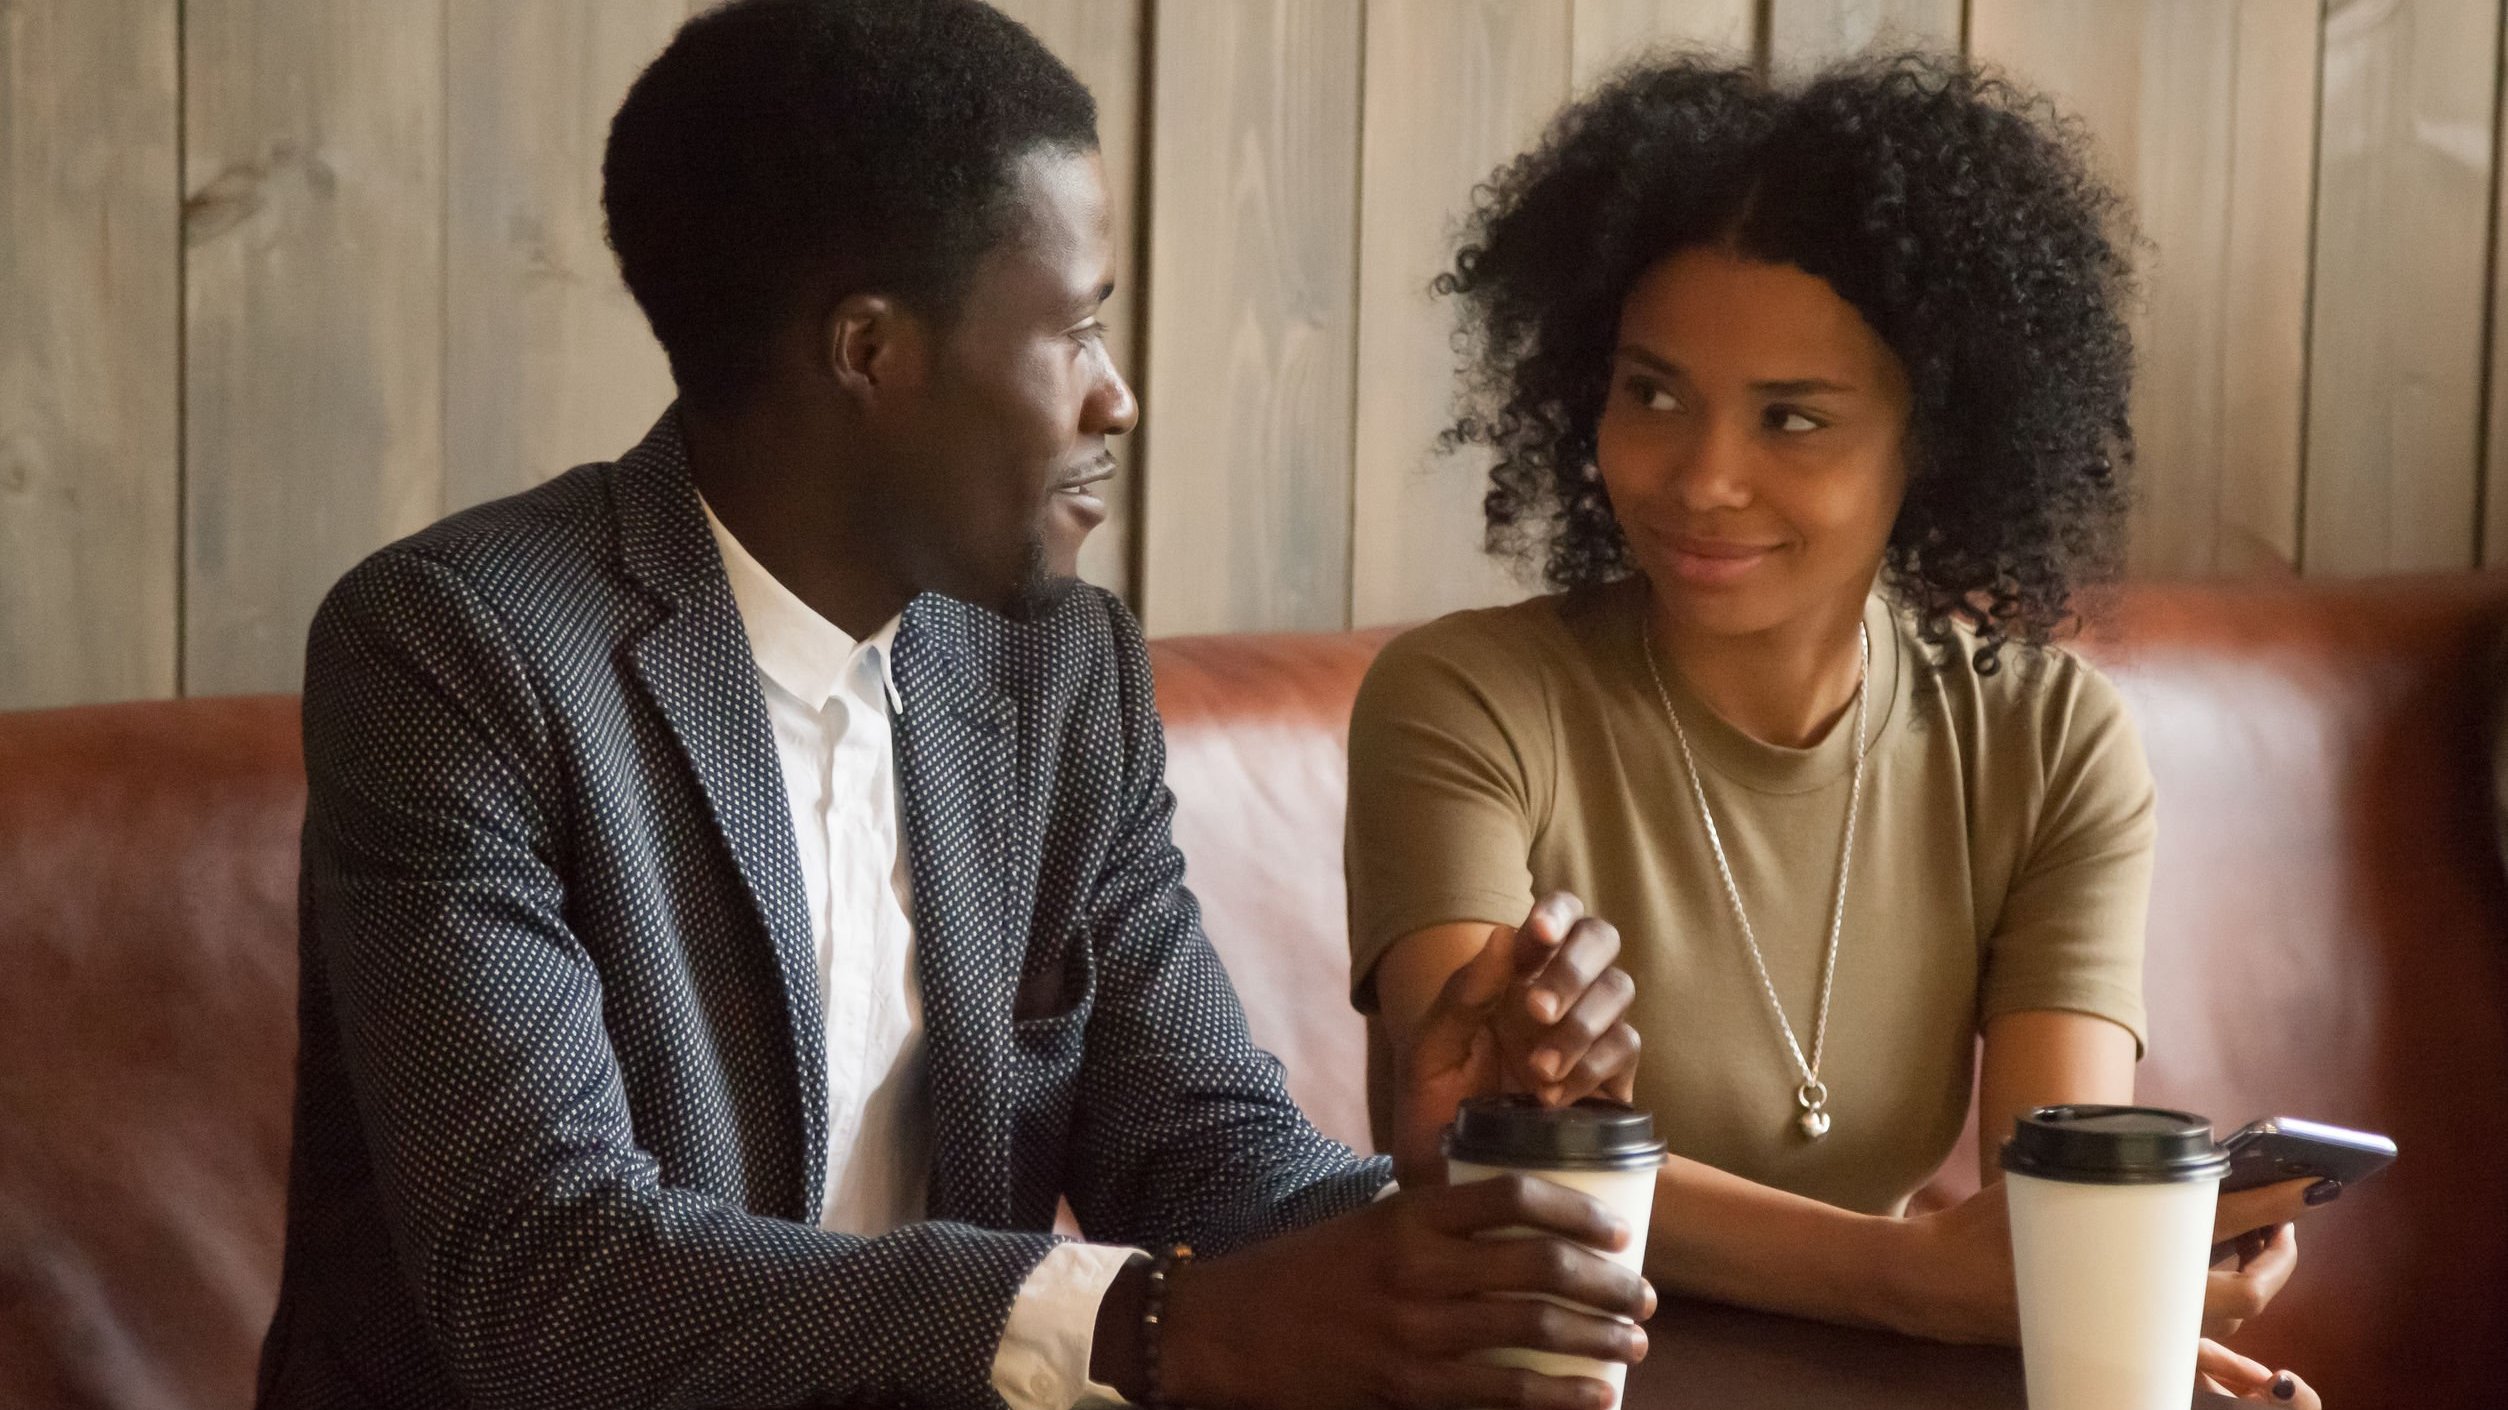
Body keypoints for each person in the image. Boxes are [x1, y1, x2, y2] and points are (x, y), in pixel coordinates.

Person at [254, 3, 1653, 1408]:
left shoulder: (1054, 676)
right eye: (1078, 330)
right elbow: (546, 1274)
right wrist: (1138, 1326)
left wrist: (1462, 1180)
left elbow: (1205, 1156)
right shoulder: (457, 653)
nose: (1118, 398)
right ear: (869, 351)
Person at [1344, 54, 2326, 1405]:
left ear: (1931, 439)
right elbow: (1498, 1161)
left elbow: (2033, 1222)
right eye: (1653, 393)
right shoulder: (1464, 701)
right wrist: (1922, 1276)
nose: (1701, 475)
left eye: (1791, 418)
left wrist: (2124, 1294)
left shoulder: (2046, 746)